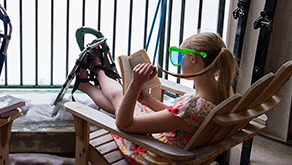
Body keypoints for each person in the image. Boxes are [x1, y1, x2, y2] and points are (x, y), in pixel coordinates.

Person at [77, 32, 235, 164]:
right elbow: (180, 118)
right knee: (123, 100)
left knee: (120, 97)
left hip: (156, 154)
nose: (179, 61)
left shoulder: (191, 107)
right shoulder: (223, 90)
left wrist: (135, 84)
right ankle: (88, 83)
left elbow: (124, 124)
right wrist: (148, 100)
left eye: (181, 56)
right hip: (178, 144)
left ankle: (97, 71)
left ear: (194, 59)